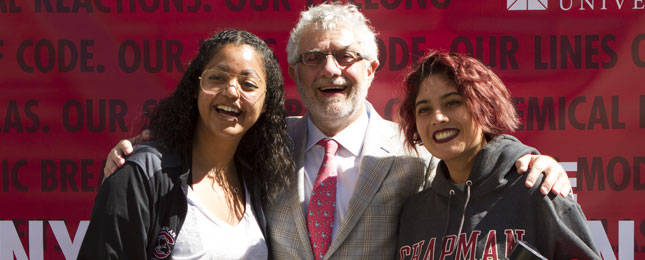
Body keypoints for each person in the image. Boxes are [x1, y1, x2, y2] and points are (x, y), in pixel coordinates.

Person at [101, 3, 574, 260]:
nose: (330, 69)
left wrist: (531, 157)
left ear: (371, 68)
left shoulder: (418, 150)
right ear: (295, 73)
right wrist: (144, 154)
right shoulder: (262, 144)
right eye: (313, 58)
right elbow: (204, 135)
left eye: (345, 56)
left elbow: (473, 154)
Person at [78, 29, 294, 260]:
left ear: (266, 103)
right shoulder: (141, 174)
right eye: (217, 77)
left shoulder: (260, 180)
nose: (231, 91)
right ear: (195, 87)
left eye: (248, 84)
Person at [396, 51, 600, 260]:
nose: (437, 117)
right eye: (424, 109)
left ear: (484, 106)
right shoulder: (414, 215)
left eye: (452, 103)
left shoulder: (537, 191)